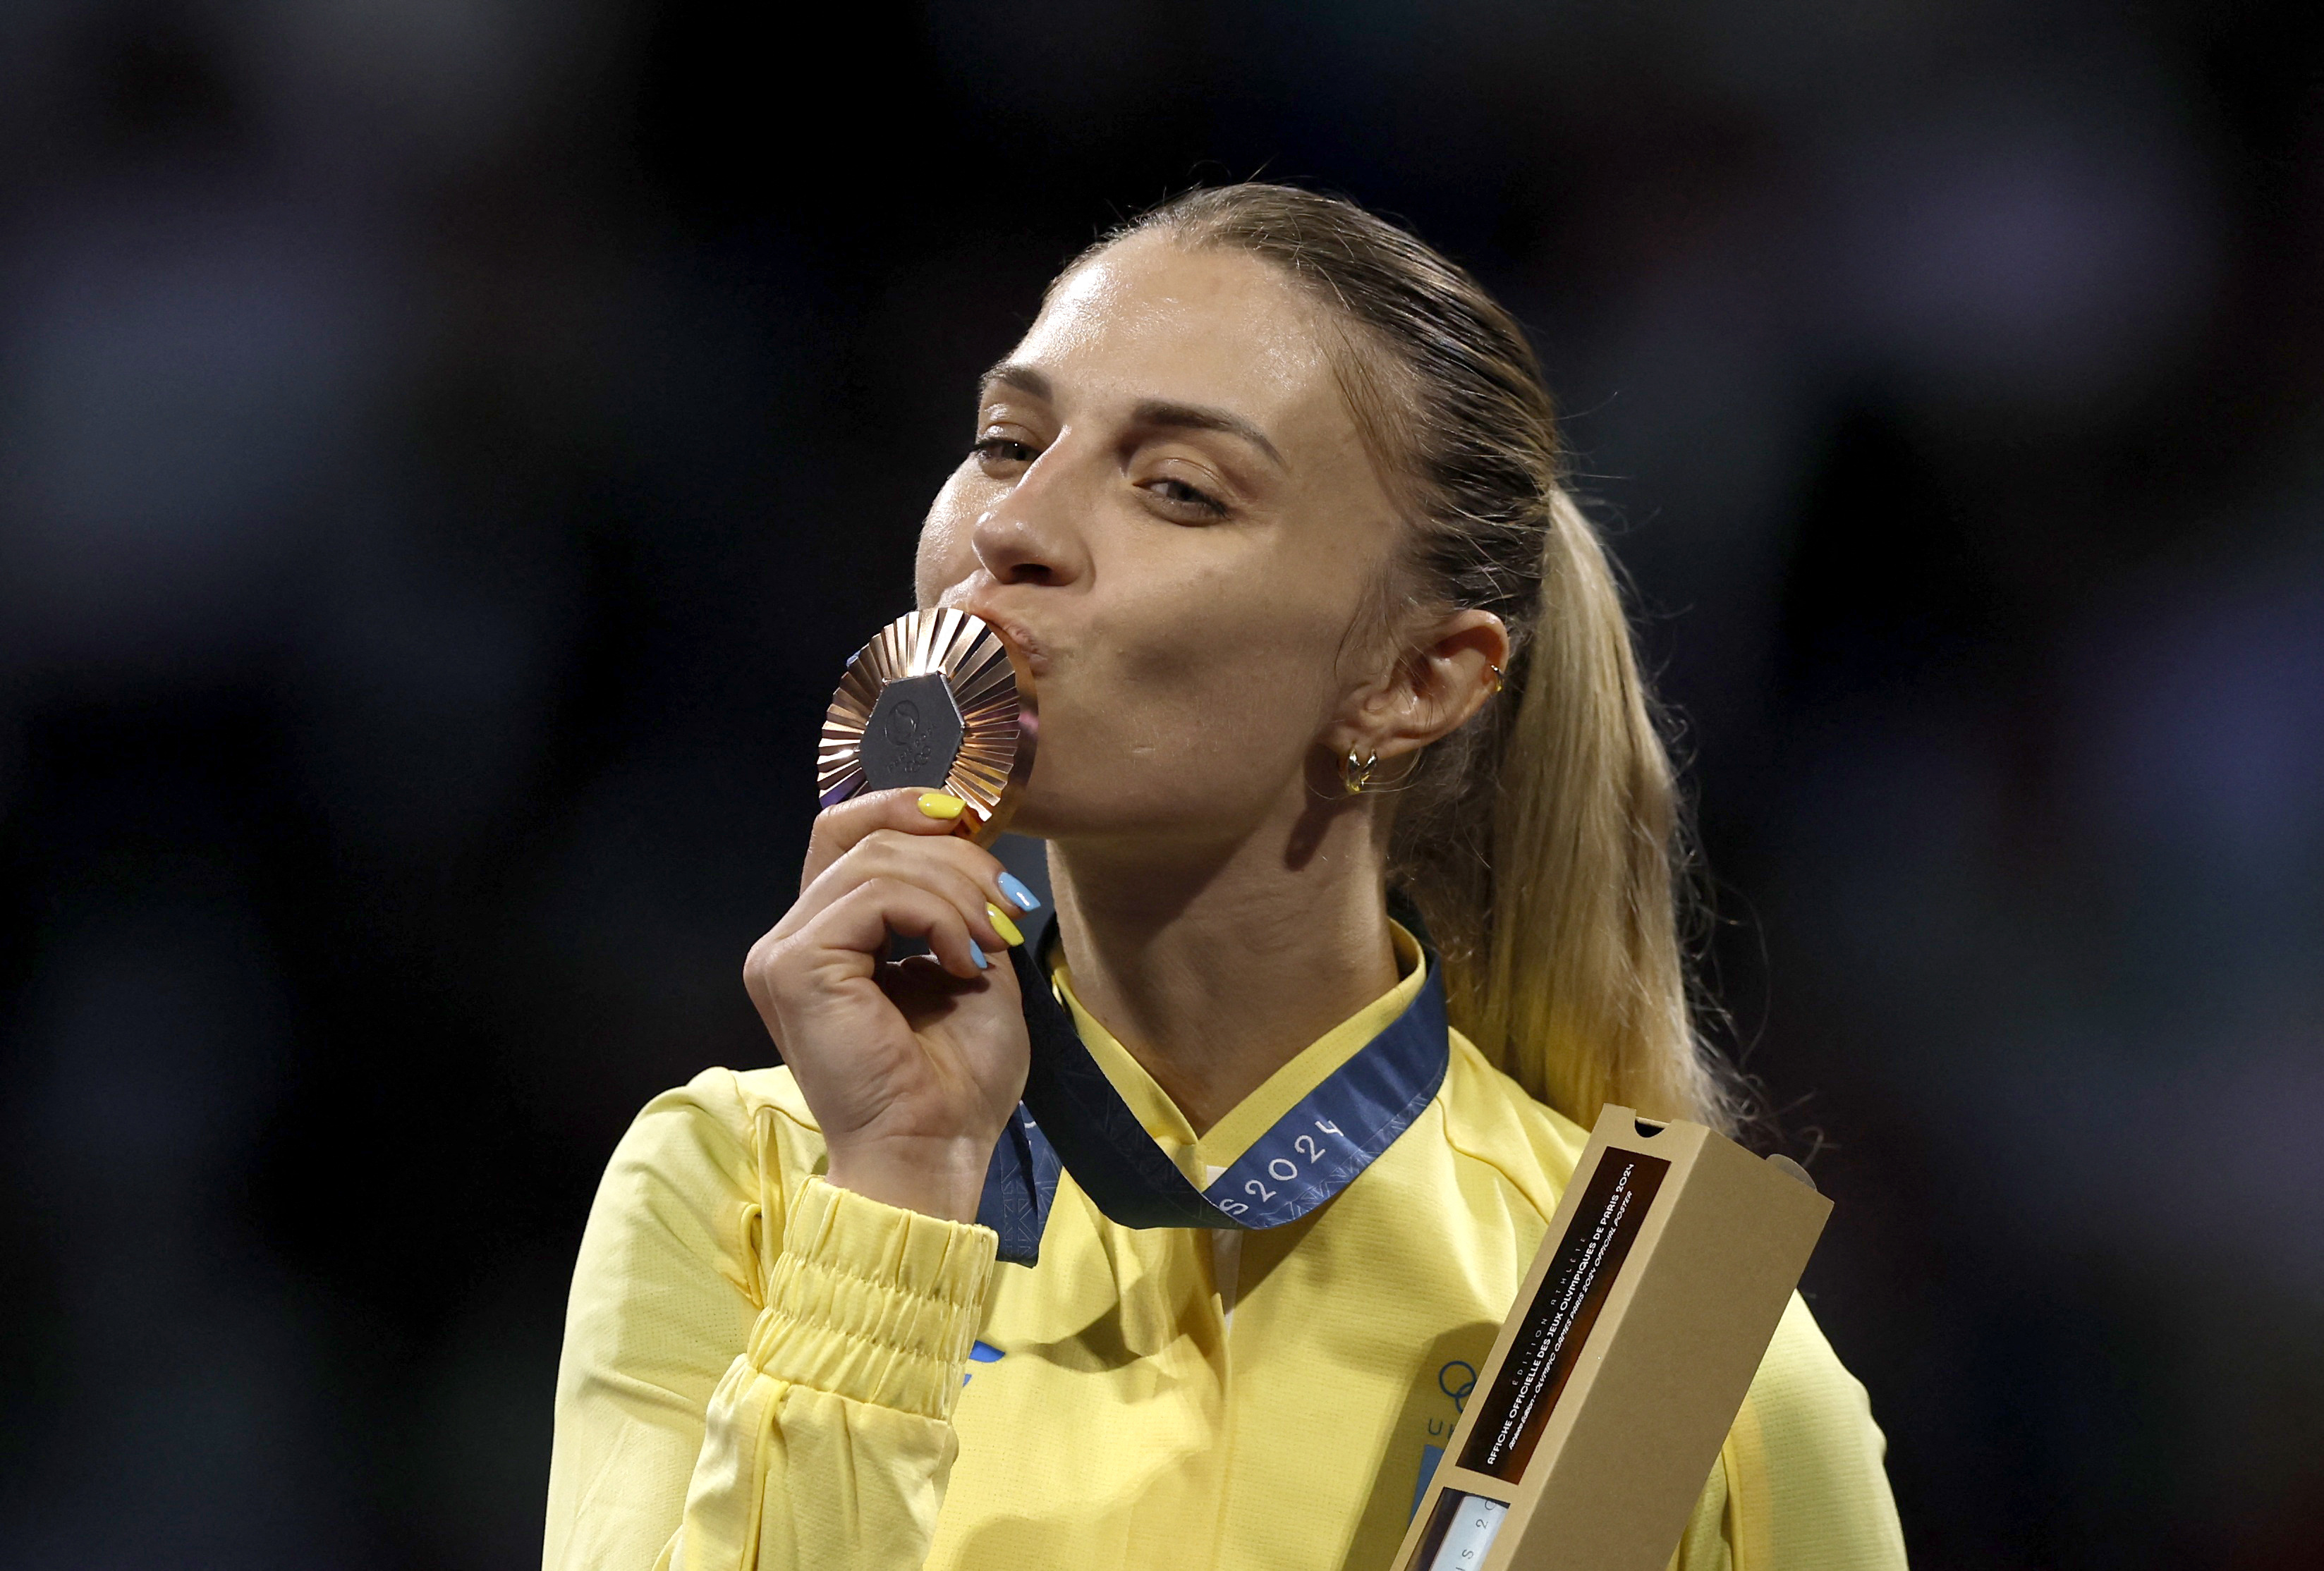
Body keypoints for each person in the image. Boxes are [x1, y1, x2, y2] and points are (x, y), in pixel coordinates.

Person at [542, 184, 1906, 1571]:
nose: (1015, 525)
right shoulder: (742, 1187)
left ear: (1413, 679)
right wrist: (899, 1185)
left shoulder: (1666, 1338)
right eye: (1008, 442)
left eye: (1178, 490)